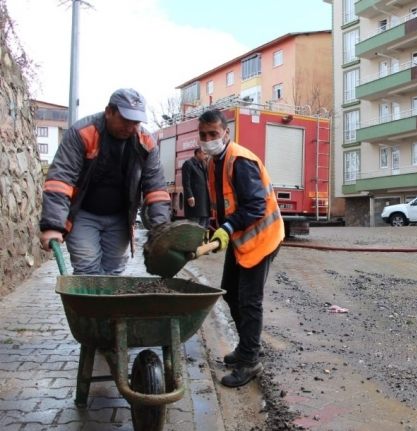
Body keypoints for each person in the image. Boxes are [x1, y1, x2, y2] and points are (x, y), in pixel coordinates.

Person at [38, 88, 171, 274]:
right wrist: (52, 226)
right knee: (87, 267)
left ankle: (109, 304)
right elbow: (61, 179)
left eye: (136, 122)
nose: (131, 127)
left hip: (120, 217)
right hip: (83, 213)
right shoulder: (83, 133)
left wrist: (161, 231)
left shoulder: (145, 143)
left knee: (114, 271)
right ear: (109, 112)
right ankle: (87, 303)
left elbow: (155, 188)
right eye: (126, 120)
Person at [198, 109, 284, 388]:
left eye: (214, 133)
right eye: (204, 135)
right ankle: (249, 346)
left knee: (249, 300)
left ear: (226, 132)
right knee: (230, 292)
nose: (209, 139)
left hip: (262, 238)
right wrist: (215, 231)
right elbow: (224, 204)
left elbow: (256, 206)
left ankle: (249, 362)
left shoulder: (240, 160)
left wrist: (226, 228)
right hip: (242, 239)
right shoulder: (214, 163)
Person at [182, 148, 211, 228]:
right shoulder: (189, 164)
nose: (206, 156)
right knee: (195, 227)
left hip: (204, 203)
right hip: (195, 202)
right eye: (204, 154)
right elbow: (186, 182)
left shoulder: (203, 165)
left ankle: (202, 241)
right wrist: (190, 196)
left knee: (204, 226)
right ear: (198, 153)